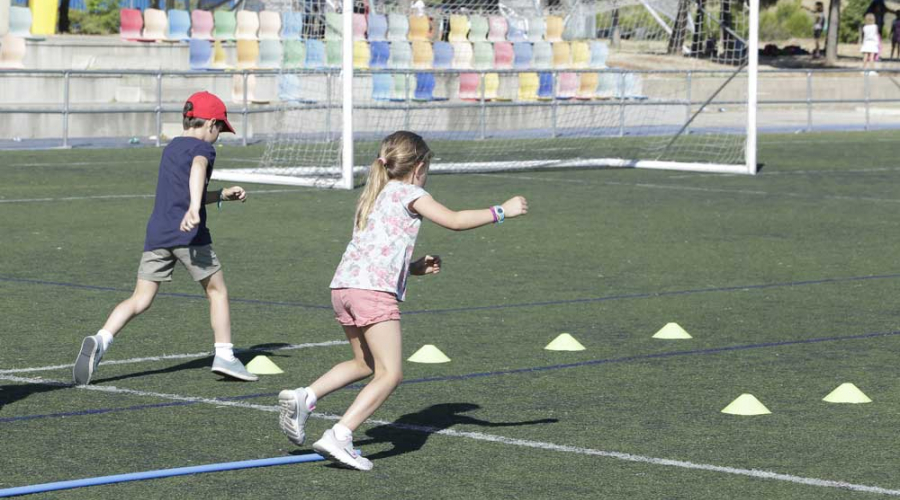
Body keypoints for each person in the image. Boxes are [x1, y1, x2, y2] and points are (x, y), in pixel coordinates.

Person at [277, 131, 528, 471]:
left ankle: (305, 397)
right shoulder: (412, 193)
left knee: (365, 363)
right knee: (390, 374)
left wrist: (411, 269)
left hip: (344, 287)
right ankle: (341, 434)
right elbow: (453, 221)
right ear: (419, 166)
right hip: (373, 293)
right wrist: (502, 211)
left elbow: (373, 252)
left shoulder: (373, 194)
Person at [72, 91, 258, 386]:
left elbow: (183, 191)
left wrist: (221, 195)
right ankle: (224, 355)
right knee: (217, 291)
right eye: (220, 128)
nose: (219, 135)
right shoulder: (204, 150)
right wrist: (195, 208)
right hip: (189, 235)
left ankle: (101, 339)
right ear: (209, 124)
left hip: (158, 233)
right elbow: (197, 170)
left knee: (140, 299)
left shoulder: (171, 147)